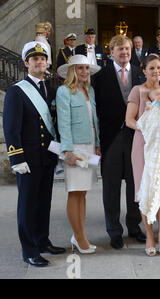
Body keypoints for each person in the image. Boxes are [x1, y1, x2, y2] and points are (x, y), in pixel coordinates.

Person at [3, 41, 65, 267]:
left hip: (46, 157)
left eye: (43, 58)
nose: (40, 62)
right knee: (28, 204)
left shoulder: (51, 89)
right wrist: (16, 158)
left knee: (43, 202)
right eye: (35, 59)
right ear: (26, 63)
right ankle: (29, 249)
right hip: (27, 159)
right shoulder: (16, 91)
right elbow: (11, 128)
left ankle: (42, 241)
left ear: (47, 62)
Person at [93, 34, 146, 249]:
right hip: (111, 139)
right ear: (111, 52)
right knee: (111, 188)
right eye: (120, 49)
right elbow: (96, 112)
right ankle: (114, 231)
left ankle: (134, 227)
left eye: (127, 49)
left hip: (136, 140)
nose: (124, 52)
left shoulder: (141, 75)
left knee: (135, 185)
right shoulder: (100, 77)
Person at [125, 54, 160, 256]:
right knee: (145, 189)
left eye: (159, 68)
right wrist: (147, 126)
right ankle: (149, 235)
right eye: (152, 68)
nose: (156, 71)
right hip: (143, 145)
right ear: (144, 70)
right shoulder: (138, 91)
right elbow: (130, 119)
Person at [56, 55, 101, 254]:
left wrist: (98, 144)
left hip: (89, 146)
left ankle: (79, 235)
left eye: (86, 68)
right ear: (72, 71)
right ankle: (80, 238)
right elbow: (63, 123)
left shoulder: (89, 90)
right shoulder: (64, 91)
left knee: (83, 192)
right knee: (74, 192)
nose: (84, 71)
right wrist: (67, 151)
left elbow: (95, 121)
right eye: (80, 68)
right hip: (75, 147)